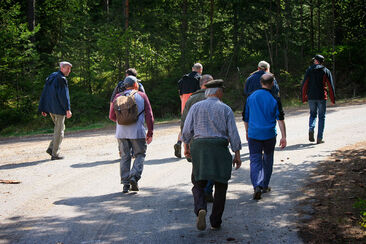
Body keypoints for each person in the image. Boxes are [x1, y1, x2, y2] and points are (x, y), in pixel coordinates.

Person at [182, 79, 242, 231]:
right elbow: (233, 134)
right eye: (222, 91)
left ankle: (201, 208)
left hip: (200, 148)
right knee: (221, 185)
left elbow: (186, 131)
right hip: (219, 148)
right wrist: (237, 154)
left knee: (198, 183)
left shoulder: (195, 107)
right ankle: (215, 221)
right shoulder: (225, 109)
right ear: (218, 92)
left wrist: (187, 146)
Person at [243, 74, 287, 200]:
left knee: (255, 160)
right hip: (269, 135)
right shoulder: (274, 98)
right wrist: (283, 137)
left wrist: (247, 131)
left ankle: (256, 185)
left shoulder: (251, 97)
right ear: (272, 83)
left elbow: (245, 117)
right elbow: (280, 119)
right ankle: (264, 185)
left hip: (254, 134)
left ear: (260, 82)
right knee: (268, 160)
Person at [109, 76, 154, 193]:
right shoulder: (142, 96)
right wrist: (150, 132)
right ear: (135, 85)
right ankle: (134, 177)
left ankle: (125, 184)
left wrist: (124, 121)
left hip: (121, 132)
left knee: (124, 157)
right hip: (137, 131)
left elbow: (112, 116)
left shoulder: (118, 97)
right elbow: (149, 116)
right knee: (140, 155)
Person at [180, 74, 214, 202]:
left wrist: (185, 144)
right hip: (212, 139)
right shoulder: (215, 98)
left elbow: (184, 123)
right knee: (211, 165)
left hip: (196, 140)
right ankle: (208, 191)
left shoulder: (191, 99)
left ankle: (199, 192)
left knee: (197, 166)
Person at [38, 61, 73, 160]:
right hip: (58, 109)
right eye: (67, 68)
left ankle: (51, 148)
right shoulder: (61, 79)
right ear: (62, 68)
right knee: (59, 131)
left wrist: (44, 107)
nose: (69, 71)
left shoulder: (52, 76)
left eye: (70, 69)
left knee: (59, 129)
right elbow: (64, 96)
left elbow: (45, 92)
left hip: (51, 108)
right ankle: (55, 154)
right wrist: (67, 109)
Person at [301, 54, 335, 144]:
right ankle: (319, 138)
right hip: (321, 97)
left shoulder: (309, 70)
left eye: (314, 60)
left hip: (311, 96)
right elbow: (330, 85)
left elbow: (304, 84)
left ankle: (311, 128)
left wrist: (304, 97)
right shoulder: (326, 71)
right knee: (321, 117)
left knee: (312, 114)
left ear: (316, 61)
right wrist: (332, 98)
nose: (313, 61)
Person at [174, 63, 203, 158]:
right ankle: (191, 149)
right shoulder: (200, 79)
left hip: (184, 104)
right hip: (195, 104)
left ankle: (179, 142)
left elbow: (180, 95)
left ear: (192, 69)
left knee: (184, 126)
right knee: (195, 126)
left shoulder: (182, 80)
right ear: (200, 70)